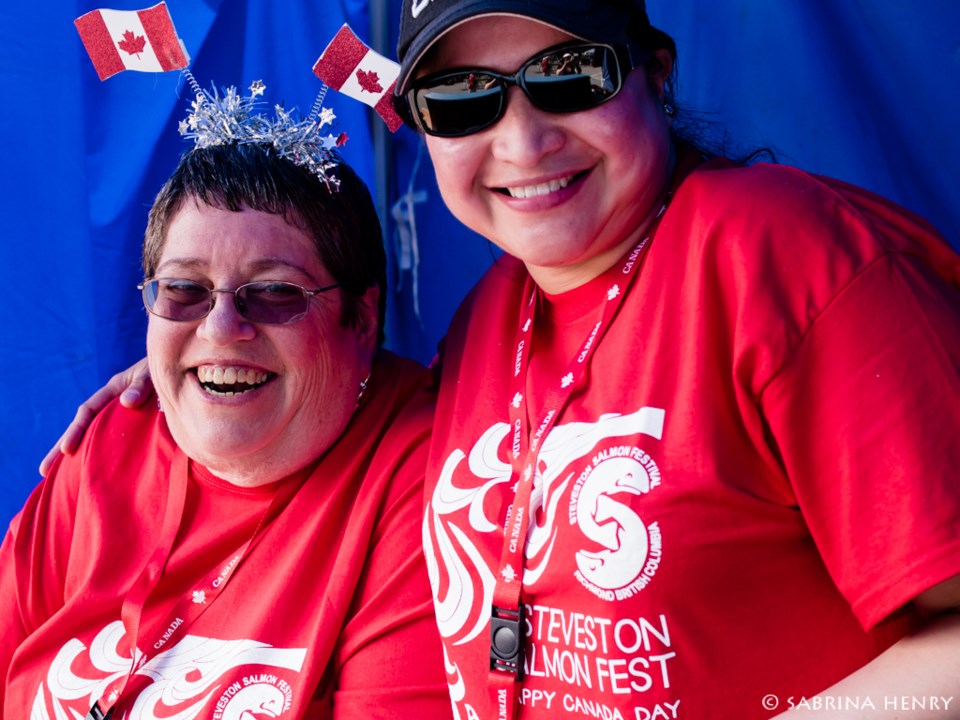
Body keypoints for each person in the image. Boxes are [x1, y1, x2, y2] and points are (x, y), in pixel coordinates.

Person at [45, 2, 960, 719]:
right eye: (464, 97)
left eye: (570, 75)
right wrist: (193, 354)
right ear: (423, 128)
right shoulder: (491, 319)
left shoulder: (782, 253)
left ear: (655, 72)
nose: (523, 140)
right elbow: (343, 401)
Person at [5, 83, 450, 720]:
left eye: (273, 294)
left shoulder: (421, 472)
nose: (220, 329)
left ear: (361, 316)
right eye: (185, 291)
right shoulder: (106, 443)